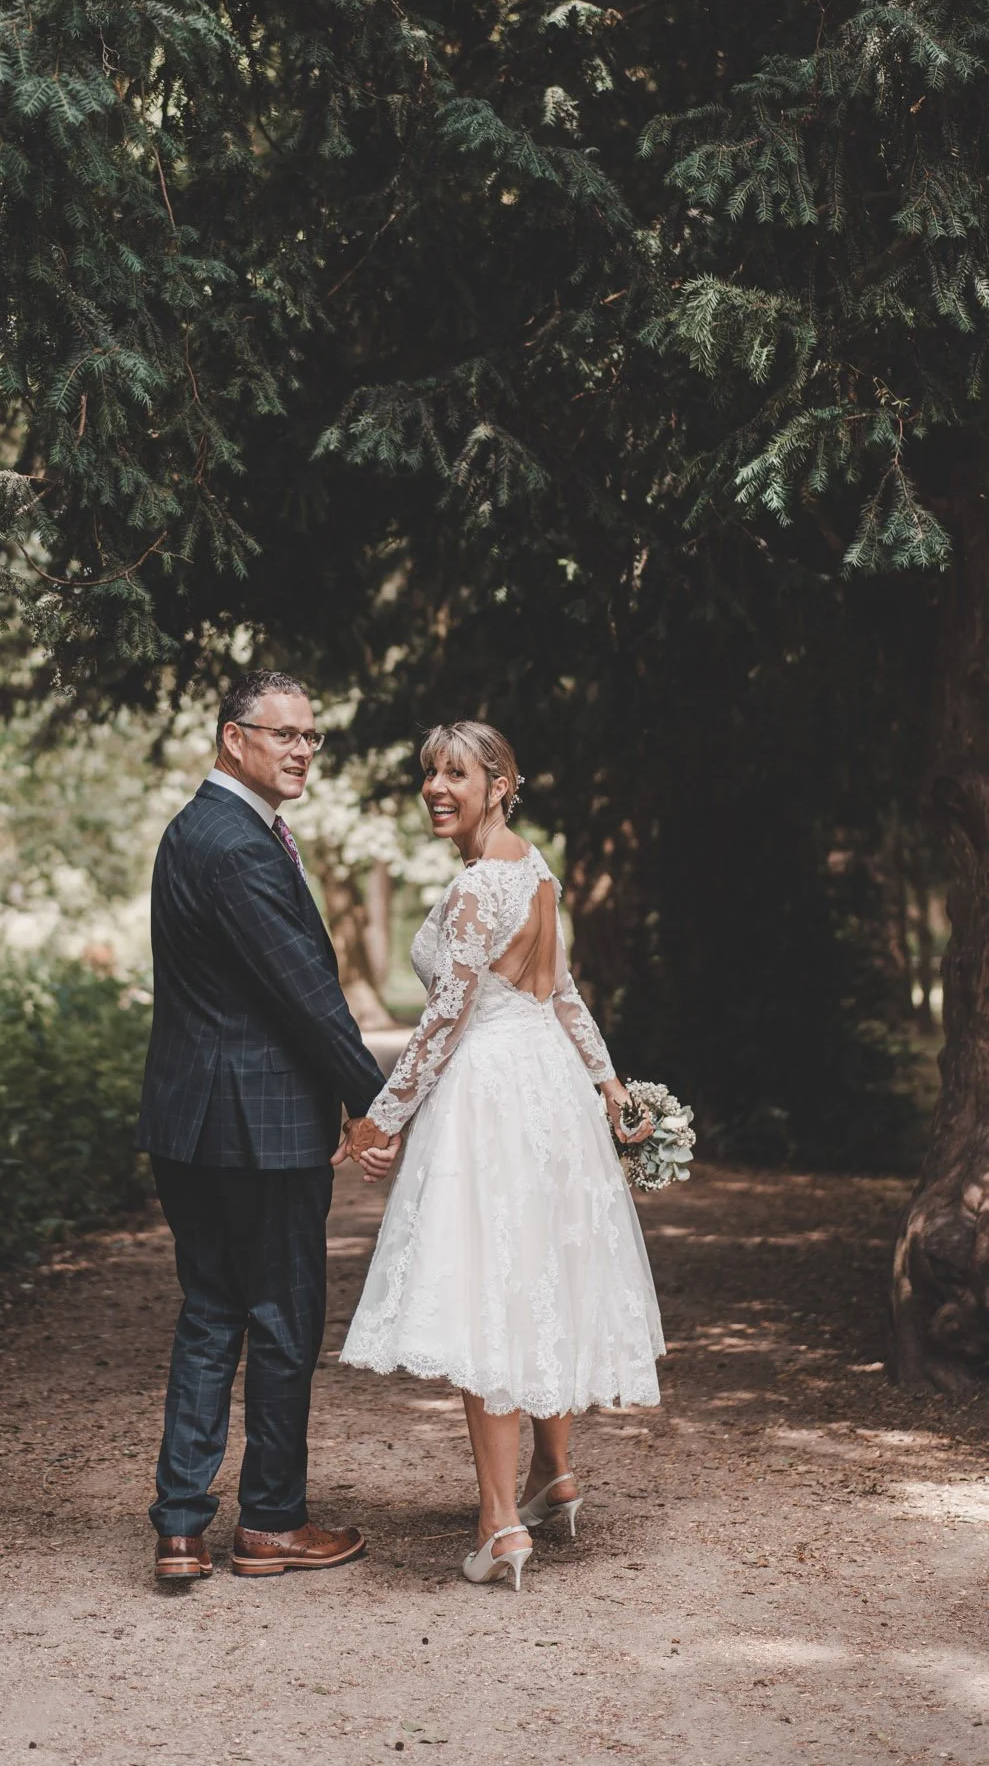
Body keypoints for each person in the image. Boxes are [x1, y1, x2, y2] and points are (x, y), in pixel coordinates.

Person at [339, 721, 664, 1590]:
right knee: (540, 1275)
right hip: (549, 1089)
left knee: (488, 1286)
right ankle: (551, 1472)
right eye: (428, 773)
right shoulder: (536, 869)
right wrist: (604, 1085)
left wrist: (379, 1120)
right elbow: (564, 998)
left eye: (456, 773)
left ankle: (498, 1523)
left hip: (489, 1093)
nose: (435, 788)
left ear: (498, 785)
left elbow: (444, 1019)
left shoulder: (479, 885)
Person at [140, 669, 389, 1582]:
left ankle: (180, 1528)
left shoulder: (193, 829)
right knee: (282, 1321)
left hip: (188, 1123)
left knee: (211, 1311)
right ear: (232, 737)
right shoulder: (237, 844)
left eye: (310, 735)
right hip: (261, 1127)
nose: (302, 750)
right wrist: (374, 1102)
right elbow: (305, 995)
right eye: (283, 733)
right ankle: (271, 1524)